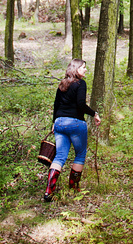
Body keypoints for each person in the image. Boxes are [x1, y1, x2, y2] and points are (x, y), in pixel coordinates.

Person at [43, 58, 101, 202]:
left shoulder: (62, 83)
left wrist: (54, 122)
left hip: (60, 123)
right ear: (76, 69)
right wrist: (94, 114)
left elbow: (56, 104)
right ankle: (73, 188)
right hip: (75, 123)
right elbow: (81, 104)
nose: (85, 70)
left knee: (60, 156)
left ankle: (49, 191)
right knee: (80, 154)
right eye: (83, 68)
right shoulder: (80, 84)